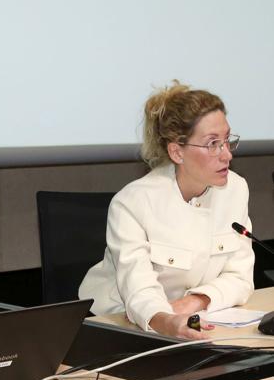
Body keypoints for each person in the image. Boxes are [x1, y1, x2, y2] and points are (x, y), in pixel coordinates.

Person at [78, 81, 254, 339]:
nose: (226, 155)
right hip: (120, 325)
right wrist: (168, 321)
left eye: (227, 141)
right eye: (213, 143)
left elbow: (240, 278)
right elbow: (139, 291)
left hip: (195, 321)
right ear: (176, 152)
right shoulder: (133, 202)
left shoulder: (235, 190)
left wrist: (194, 301)